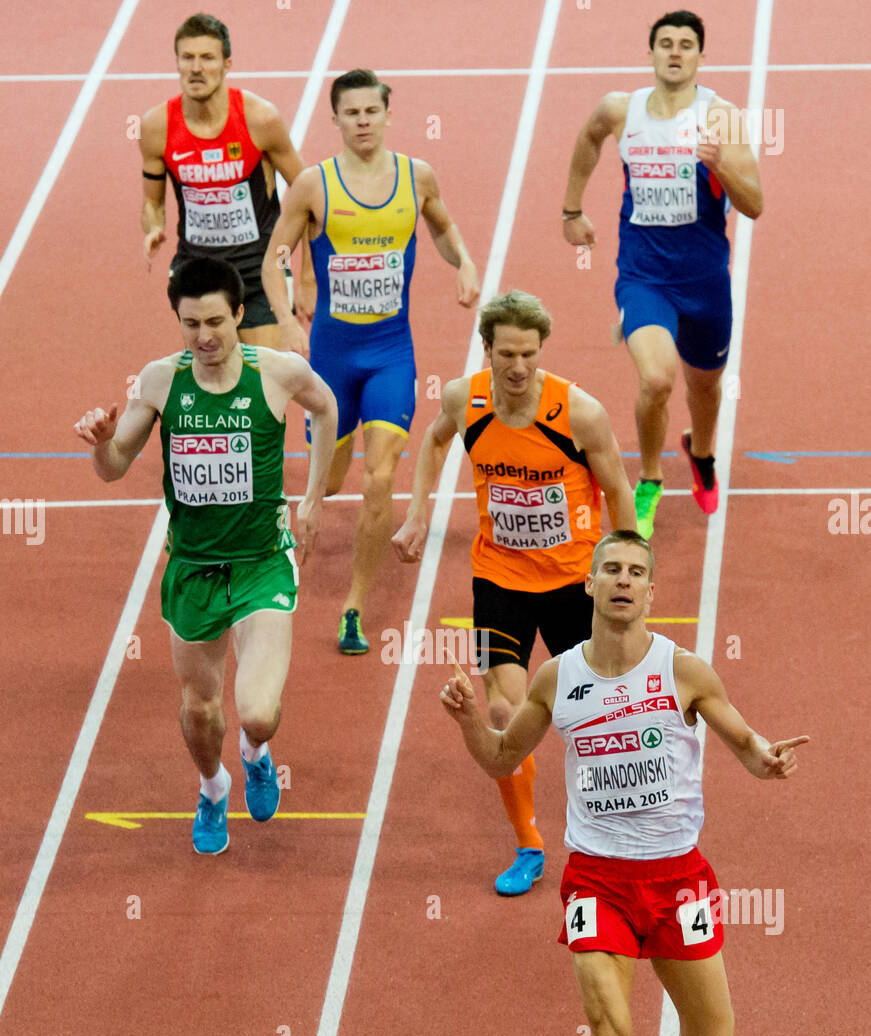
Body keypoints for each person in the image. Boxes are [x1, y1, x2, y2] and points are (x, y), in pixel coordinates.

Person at [440, 530, 807, 1036]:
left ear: (650, 590)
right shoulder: (557, 678)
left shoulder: (684, 670)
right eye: (610, 568)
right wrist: (468, 726)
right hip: (596, 880)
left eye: (636, 572)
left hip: (677, 882)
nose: (622, 581)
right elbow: (502, 760)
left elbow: (742, 741)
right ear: (589, 582)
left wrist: (764, 759)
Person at [73, 256, 337, 855]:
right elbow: (114, 468)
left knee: (258, 713)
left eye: (216, 321)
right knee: (200, 710)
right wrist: (100, 445)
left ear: (241, 314)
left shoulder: (279, 372)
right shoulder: (162, 381)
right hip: (192, 568)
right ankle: (214, 786)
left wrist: (314, 497)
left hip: (261, 562)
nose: (205, 337)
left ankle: (255, 754)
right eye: (190, 324)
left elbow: (325, 408)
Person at [393, 290, 636, 896]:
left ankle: (619, 829)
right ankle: (529, 841)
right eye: (508, 354)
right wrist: (419, 513)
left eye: (529, 354)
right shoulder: (464, 399)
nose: (519, 367)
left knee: (602, 713)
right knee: (503, 712)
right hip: (499, 578)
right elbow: (433, 440)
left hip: (572, 582)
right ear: (488, 350)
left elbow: (618, 487)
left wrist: (628, 563)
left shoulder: (580, 413)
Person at [262, 68, 480, 654]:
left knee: (381, 476)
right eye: (351, 112)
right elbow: (273, 257)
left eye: (371, 111)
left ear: (387, 114)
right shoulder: (313, 185)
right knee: (328, 481)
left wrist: (463, 262)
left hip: (391, 354)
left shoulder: (417, 177)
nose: (362, 121)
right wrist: (285, 317)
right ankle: (294, 512)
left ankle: (354, 607)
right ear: (335, 119)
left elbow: (442, 227)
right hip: (333, 361)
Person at [561, 10, 763, 537]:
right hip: (643, 275)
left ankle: (701, 451)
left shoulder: (720, 118)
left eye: (686, 44)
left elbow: (755, 204)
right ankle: (649, 479)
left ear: (700, 56)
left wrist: (720, 165)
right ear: (650, 52)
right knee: (655, 379)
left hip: (704, 281)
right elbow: (588, 138)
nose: (675, 52)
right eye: (666, 43)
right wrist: (571, 209)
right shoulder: (620, 110)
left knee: (705, 388)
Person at [139, 12, 310, 355]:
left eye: (207, 58)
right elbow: (153, 203)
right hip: (197, 272)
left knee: (265, 385)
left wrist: (308, 276)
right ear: (177, 63)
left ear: (227, 63)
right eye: (187, 58)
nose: (196, 68)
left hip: (260, 270)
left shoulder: (260, 119)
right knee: (212, 382)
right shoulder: (157, 126)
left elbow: (310, 197)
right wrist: (154, 227)